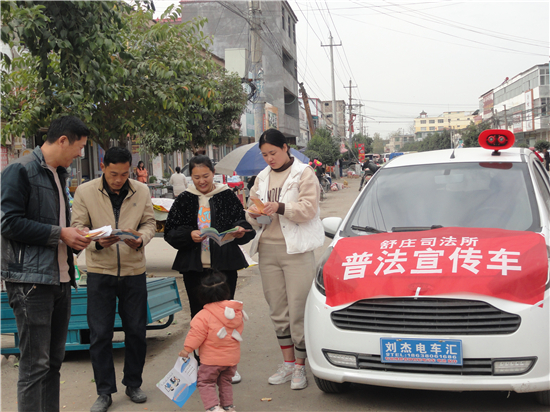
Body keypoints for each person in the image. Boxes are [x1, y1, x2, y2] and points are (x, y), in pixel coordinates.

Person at [1, 116, 92, 412]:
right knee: (34, 366)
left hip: (60, 280)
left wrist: (75, 237)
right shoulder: (21, 170)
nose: (81, 154)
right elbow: (8, 223)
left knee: (53, 362)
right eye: (79, 147)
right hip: (31, 283)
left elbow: (57, 224)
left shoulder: (58, 174)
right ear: (63, 140)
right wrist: (60, 234)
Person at [71, 147, 156, 412]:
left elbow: (150, 223)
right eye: (113, 174)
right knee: (100, 334)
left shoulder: (141, 191)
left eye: (124, 174)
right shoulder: (85, 191)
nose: (119, 179)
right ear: (103, 167)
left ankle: (133, 383)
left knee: (136, 331)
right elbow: (78, 228)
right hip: (100, 272)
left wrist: (141, 239)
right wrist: (96, 242)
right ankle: (104, 391)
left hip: (134, 271)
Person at [164, 155, 255, 383]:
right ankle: (202, 364)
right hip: (194, 268)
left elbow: (243, 224)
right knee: (199, 318)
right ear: (190, 177)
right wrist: (189, 235)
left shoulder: (226, 196)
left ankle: (227, 365)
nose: (201, 181)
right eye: (196, 177)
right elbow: (170, 232)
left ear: (213, 173)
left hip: (224, 266)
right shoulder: (184, 199)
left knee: (226, 316)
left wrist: (239, 231)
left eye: (205, 176)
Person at [246, 128, 324, 390]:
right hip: (268, 249)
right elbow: (251, 207)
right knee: (278, 309)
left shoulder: (304, 173)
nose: (269, 158)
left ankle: (301, 366)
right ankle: (288, 363)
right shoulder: (262, 177)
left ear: (285, 148)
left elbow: (309, 209)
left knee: (298, 309)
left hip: (296, 251)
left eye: (273, 152)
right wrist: (254, 213)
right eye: (264, 155)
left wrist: (279, 207)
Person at [179, 270, 246, 412]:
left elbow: (196, 335)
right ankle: (228, 406)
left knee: (205, 382)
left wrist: (187, 349)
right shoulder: (235, 313)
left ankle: (212, 407)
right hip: (231, 358)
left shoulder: (203, 315)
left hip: (211, 359)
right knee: (225, 381)